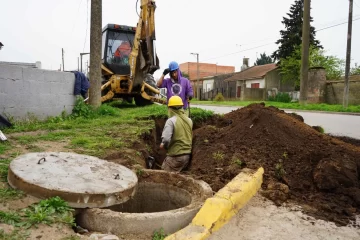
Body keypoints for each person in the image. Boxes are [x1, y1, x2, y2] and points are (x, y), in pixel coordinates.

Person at [160, 96, 193, 172]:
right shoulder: (189, 120)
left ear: (170, 108)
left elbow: (166, 139)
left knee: (164, 175)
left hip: (175, 157)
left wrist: (164, 145)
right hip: (187, 156)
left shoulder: (171, 121)